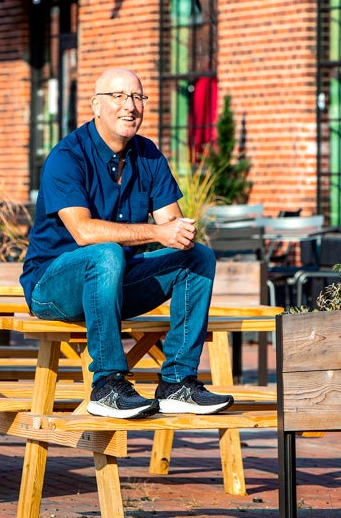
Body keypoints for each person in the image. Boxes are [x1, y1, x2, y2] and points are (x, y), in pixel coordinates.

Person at [19, 67, 233, 419]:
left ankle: (178, 382)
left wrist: (179, 233)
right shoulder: (67, 157)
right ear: (96, 106)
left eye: (136, 97)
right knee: (105, 253)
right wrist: (156, 233)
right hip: (54, 287)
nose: (129, 106)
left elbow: (171, 225)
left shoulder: (148, 155)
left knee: (197, 259)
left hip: (115, 281)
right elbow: (84, 233)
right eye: (118, 97)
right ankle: (107, 385)